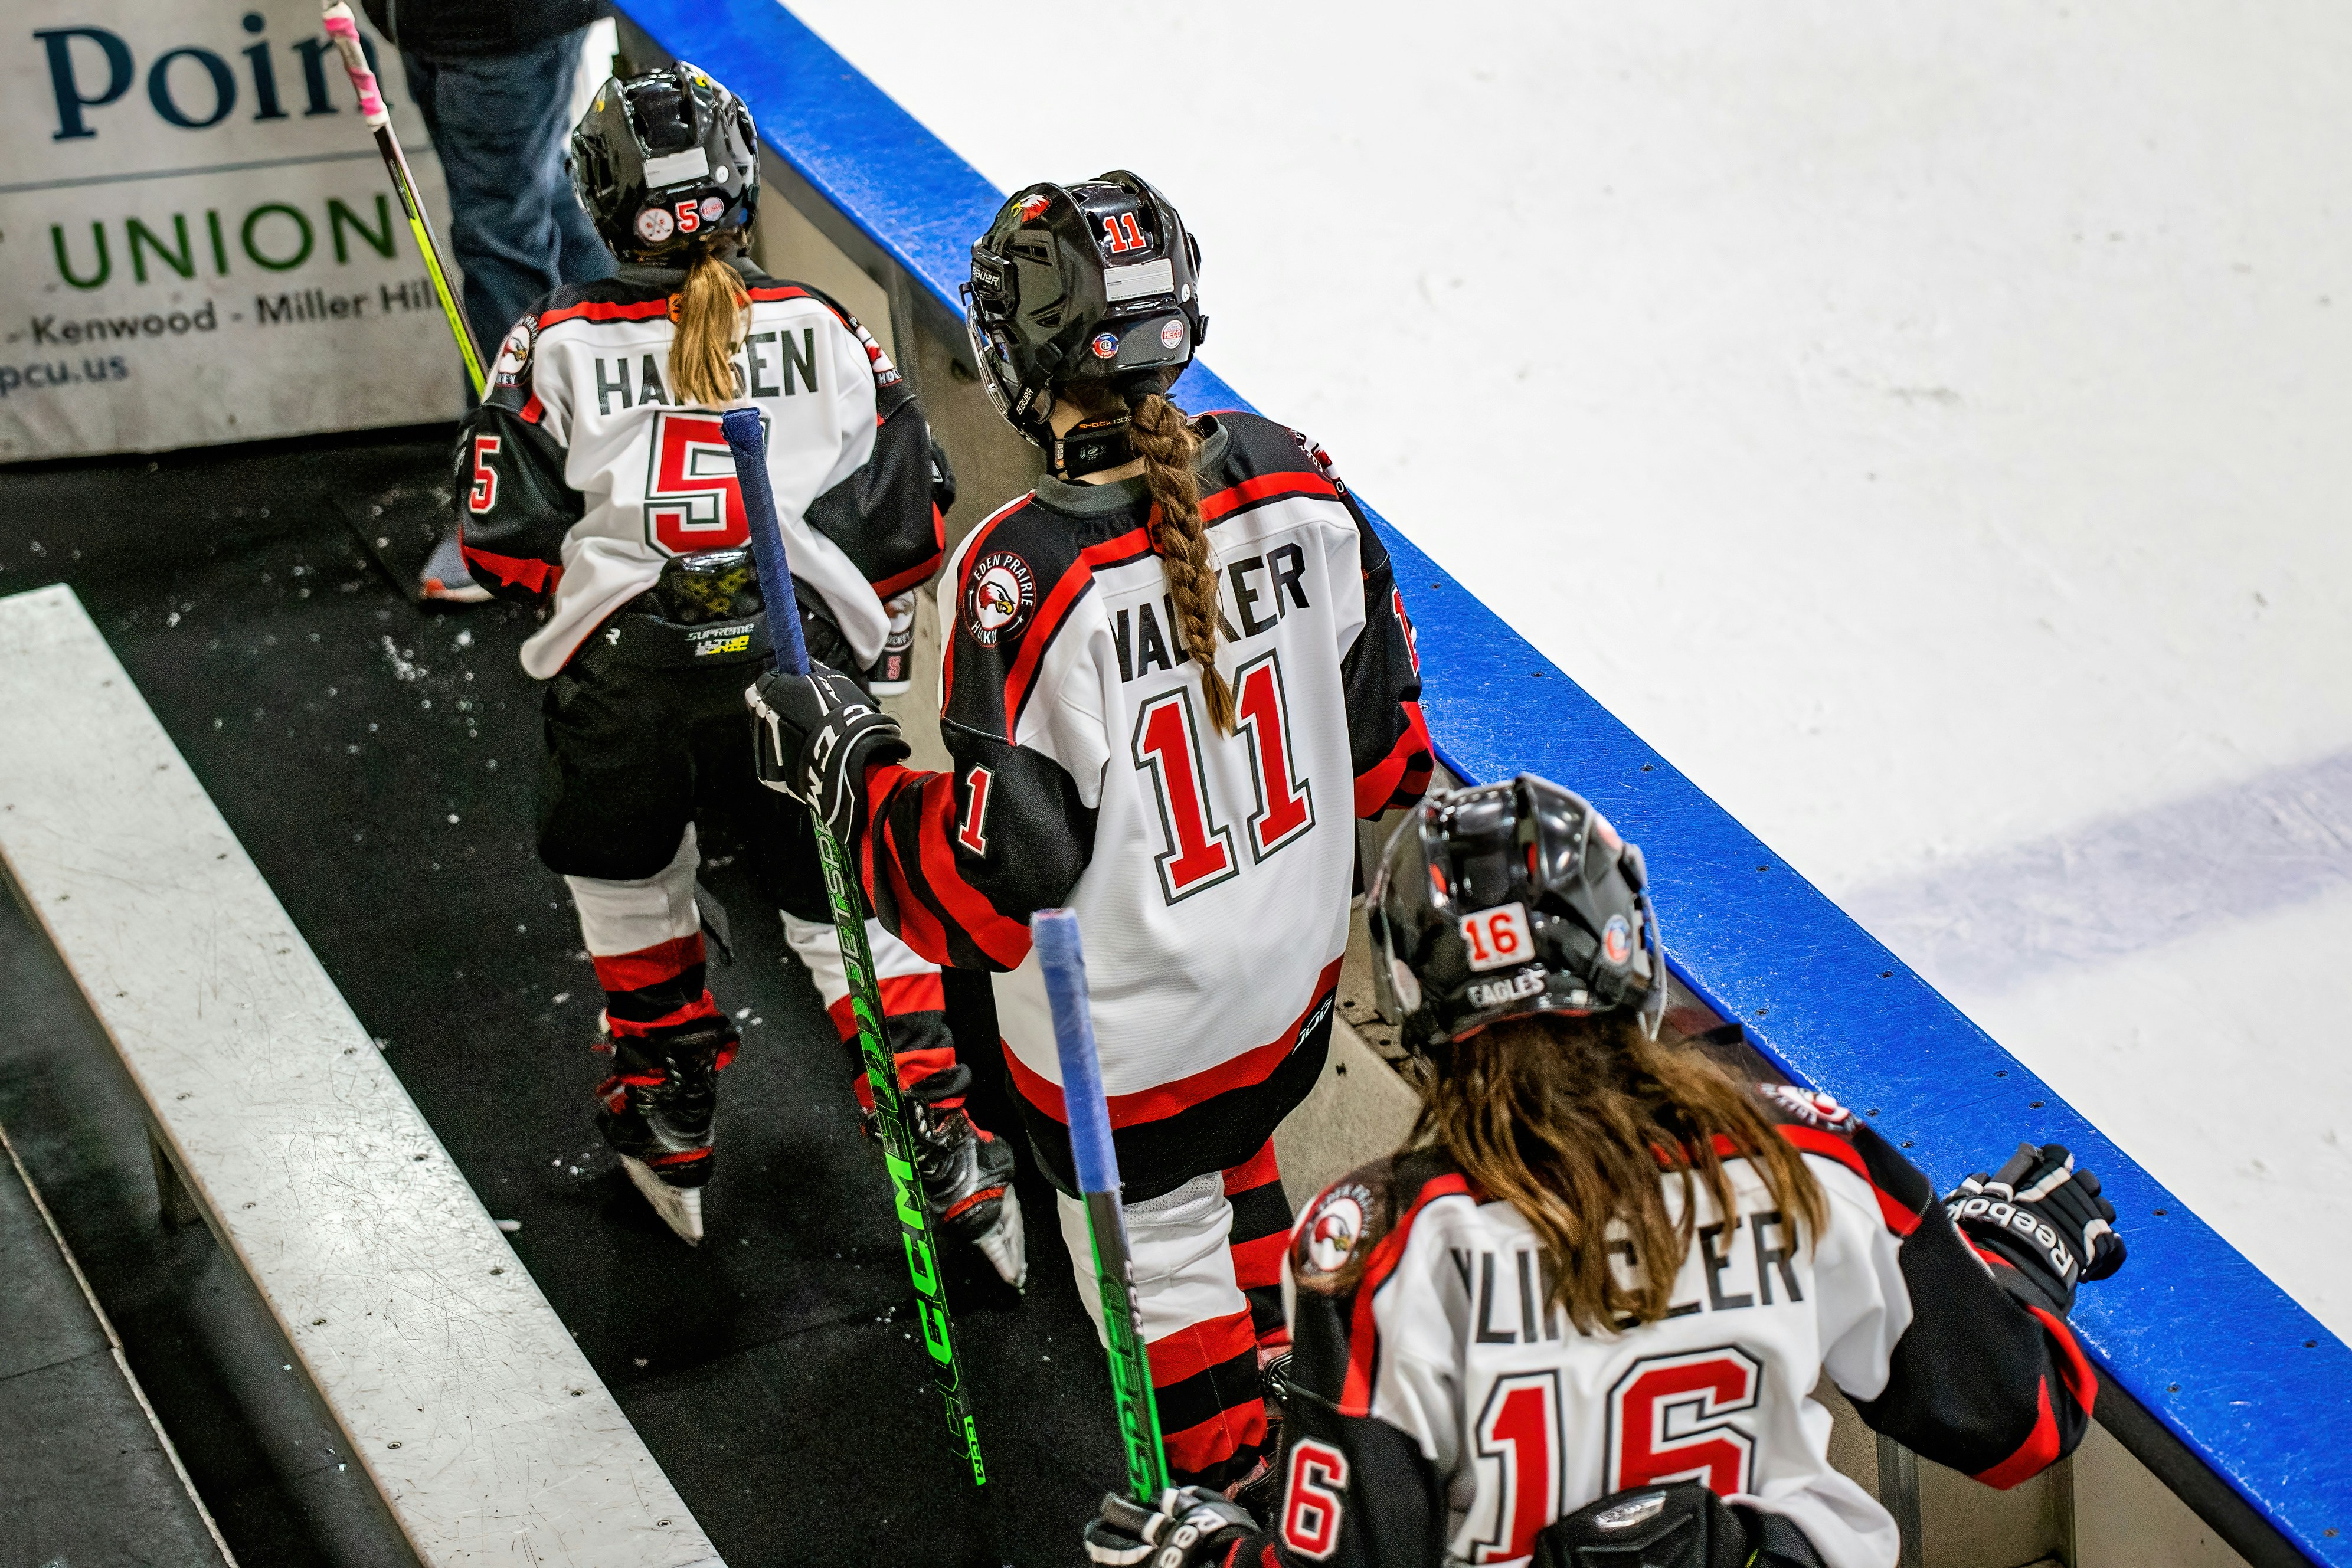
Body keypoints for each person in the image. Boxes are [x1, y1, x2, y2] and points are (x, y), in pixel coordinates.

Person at [748, 172, 1435, 1493]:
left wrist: (849, 766)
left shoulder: (1017, 572)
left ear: (1022, 353)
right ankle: (1290, 1393)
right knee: (1234, 1171)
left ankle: (1235, 1506)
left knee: (1163, 1258)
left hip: (1131, 1055)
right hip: (1286, 1002)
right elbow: (1387, 752)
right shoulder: (1299, 476)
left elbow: (986, 891)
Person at [1080, 774, 2128, 1568]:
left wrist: (1210, 1548)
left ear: (1417, 998)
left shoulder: (1383, 1244)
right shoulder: (1810, 1155)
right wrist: (2009, 1258)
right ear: (1630, 949)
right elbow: (2019, 1421)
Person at [454, 63, 1023, 1279]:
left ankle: (669, 1094)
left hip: (624, 681)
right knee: (843, 902)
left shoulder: (548, 340)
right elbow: (914, 514)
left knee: (628, 876)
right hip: (798, 673)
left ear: (604, 201)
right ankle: (933, 1117)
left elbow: (499, 545)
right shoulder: (823, 326)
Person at [360, 0, 620, 603]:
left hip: (498, 27)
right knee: (531, 198)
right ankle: (642, 401)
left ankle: (516, 507)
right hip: (432, 23)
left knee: (499, 241)